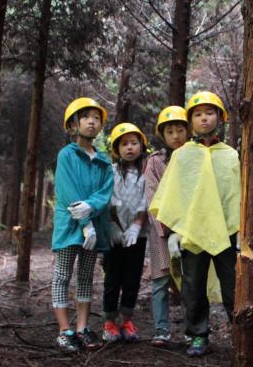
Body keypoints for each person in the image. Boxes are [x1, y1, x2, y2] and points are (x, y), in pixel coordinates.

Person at [149, 91, 240, 358]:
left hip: (225, 231)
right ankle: (198, 335)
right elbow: (173, 195)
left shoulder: (231, 155)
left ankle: (240, 333)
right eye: (198, 114)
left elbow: (236, 194)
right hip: (192, 234)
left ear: (220, 118)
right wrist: (174, 231)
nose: (204, 118)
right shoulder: (182, 155)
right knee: (193, 286)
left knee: (233, 285)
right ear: (191, 121)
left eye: (209, 113)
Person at [52, 97, 113, 352]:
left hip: (94, 229)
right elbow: (68, 191)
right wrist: (85, 222)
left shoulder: (104, 160)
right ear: (73, 124)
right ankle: (64, 330)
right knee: (62, 276)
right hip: (70, 227)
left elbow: (105, 191)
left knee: (86, 277)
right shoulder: (66, 155)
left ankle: (83, 329)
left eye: (96, 117)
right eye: (85, 116)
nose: (91, 121)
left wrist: (93, 211)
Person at [144, 106, 189, 346]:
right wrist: (169, 231)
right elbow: (152, 198)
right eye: (170, 131)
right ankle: (161, 329)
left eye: (180, 130)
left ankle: (195, 329)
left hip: (191, 230)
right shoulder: (154, 162)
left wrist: (184, 229)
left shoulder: (195, 157)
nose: (176, 136)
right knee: (160, 279)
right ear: (163, 134)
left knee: (190, 279)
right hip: (160, 231)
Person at [102, 123, 149, 343]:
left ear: (141, 145)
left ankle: (127, 319)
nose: (129, 148)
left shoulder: (146, 172)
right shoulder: (111, 171)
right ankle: (109, 321)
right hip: (114, 234)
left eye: (134, 143)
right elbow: (108, 201)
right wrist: (113, 226)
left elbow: (146, 202)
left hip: (137, 236)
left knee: (132, 277)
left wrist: (137, 225)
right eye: (124, 144)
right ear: (116, 148)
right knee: (113, 277)